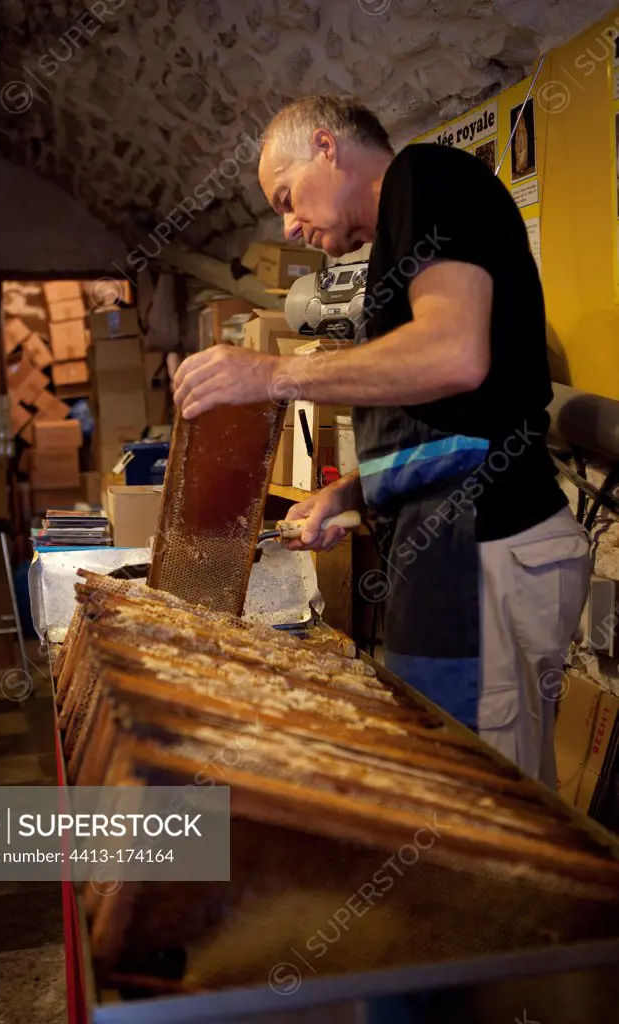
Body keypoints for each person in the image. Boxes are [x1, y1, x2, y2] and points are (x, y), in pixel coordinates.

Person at [173, 95, 590, 786]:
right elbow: (452, 416)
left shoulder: (427, 178)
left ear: (327, 148)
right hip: (458, 549)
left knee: (489, 808)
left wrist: (274, 373)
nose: (289, 223)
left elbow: (455, 355)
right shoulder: (400, 235)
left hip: (492, 544)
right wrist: (353, 491)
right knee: (457, 796)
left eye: (286, 197)